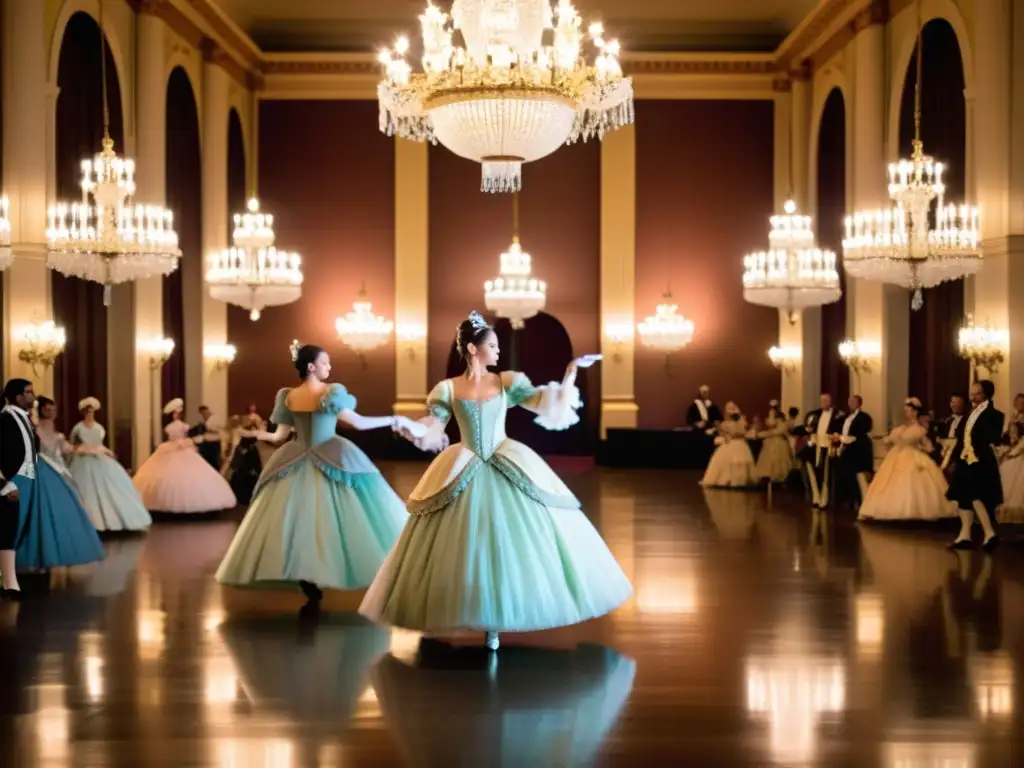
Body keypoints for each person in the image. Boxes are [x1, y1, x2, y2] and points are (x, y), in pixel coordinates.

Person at [360, 311, 632, 651]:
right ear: (473, 350)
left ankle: (496, 624)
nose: (498, 352)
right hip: (463, 462)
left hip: (505, 458)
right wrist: (407, 424)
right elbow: (432, 427)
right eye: (492, 345)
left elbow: (544, 404)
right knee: (458, 542)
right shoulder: (447, 389)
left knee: (510, 539)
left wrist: (571, 371)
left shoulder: (506, 382)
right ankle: (457, 613)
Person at [216, 341, 418, 611]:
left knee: (297, 521)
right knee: (334, 519)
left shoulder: (288, 396)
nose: (329, 367)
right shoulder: (330, 393)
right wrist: (396, 420)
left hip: (296, 456)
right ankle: (330, 570)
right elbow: (358, 422)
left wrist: (254, 434)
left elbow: (279, 437)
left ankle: (305, 573)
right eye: (325, 362)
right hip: (330, 452)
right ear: (311, 366)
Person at [15, 396, 104, 569]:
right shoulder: (34, 428)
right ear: (40, 410)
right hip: (38, 469)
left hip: (56, 472)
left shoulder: (56, 432)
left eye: (53, 409)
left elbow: (67, 448)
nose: (51, 412)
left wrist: (92, 449)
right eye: (47, 409)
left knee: (62, 508)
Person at [858, 398, 957, 522]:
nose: (906, 414)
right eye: (905, 411)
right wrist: (888, 441)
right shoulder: (901, 428)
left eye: (909, 411)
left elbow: (928, 447)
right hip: (896, 456)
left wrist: (923, 449)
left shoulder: (919, 429)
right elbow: (891, 441)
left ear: (915, 412)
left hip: (913, 456)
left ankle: (913, 510)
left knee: (912, 480)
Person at [132, 399, 237, 513]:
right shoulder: (183, 426)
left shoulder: (170, 427)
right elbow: (182, 437)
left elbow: (172, 437)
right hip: (180, 448)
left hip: (174, 447)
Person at [68, 397, 152, 532]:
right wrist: (78, 450)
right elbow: (72, 444)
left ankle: (113, 521)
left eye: (92, 411)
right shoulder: (78, 428)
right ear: (83, 412)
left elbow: (100, 444)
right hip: (83, 459)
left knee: (112, 485)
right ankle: (89, 521)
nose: (90, 414)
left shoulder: (99, 428)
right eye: (87, 411)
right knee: (85, 490)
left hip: (99, 458)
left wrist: (106, 451)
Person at [947, 380, 1003, 551]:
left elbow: (991, 437)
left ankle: (989, 533)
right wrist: (953, 459)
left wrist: (974, 451)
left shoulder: (994, 414)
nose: (972, 396)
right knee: (963, 498)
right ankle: (965, 536)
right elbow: (962, 438)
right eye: (972, 393)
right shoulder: (970, 413)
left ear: (985, 394)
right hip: (966, 460)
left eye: (976, 393)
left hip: (980, 461)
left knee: (976, 495)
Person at [0, 378, 37, 600]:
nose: (33, 396)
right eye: (28, 392)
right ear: (18, 396)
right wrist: (6, 484)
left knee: (17, 531)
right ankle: (8, 585)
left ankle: (14, 580)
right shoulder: (6, 419)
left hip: (26, 479)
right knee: (7, 532)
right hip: (11, 482)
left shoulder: (22, 418)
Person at [799, 393, 843, 510]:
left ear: (831, 401)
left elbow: (839, 431)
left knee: (826, 475)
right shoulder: (816, 414)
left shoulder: (837, 415)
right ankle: (816, 498)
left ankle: (824, 499)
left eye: (826, 401)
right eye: (822, 401)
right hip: (815, 446)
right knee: (813, 473)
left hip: (827, 447)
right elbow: (809, 429)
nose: (824, 403)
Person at [701, 402, 756, 488]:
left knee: (739, 461)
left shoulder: (741, 421)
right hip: (731, 443)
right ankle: (728, 479)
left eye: (732, 409)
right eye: (729, 409)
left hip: (740, 443)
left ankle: (739, 480)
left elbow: (742, 432)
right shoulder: (725, 424)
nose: (730, 411)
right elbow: (723, 434)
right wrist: (724, 434)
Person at [833, 394, 874, 506]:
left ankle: (863, 501)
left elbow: (858, 434)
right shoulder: (845, 417)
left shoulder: (864, 417)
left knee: (859, 476)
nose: (850, 404)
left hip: (858, 451)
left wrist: (841, 438)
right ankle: (851, 500)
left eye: (853, 402)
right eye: (849, 401)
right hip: (847, 451)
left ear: (859, 403)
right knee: (847, 476)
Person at [223, 406, 265, 505]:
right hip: (243, 454)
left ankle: (251, 496)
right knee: (240, 474)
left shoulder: (255, 427)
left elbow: (259, 434)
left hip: (251, 453)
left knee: (252, 473)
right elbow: (246, 436)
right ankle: (242, 496)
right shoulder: (240, 430)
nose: (251, 418)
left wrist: (258, 423)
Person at [996, 392, 1024, 523]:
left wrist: (1017, 446)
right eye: (1018, 402)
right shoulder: (1013, 417)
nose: (1020, 405)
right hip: (1013, 447)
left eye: (1022, 403)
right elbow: (1009, 435)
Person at [754, 400, 794, 484]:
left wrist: (769, 432)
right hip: (774, 439)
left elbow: (773, 425)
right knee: (772, 457)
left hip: (776, 439)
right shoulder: (779, 416)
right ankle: (773, 477)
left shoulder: (777, 416)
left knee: (777, 458)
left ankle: (778, 477)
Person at [188, 405, 223, 470]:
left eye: (204, 413)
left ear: (207, 410)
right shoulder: (207, 420)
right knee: (208, 462)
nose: (204, 415)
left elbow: (219, 429)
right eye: (202, 414)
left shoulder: (214, 418)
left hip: (214, 443)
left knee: (214, 462)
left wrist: (210, 429)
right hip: (208, 443)